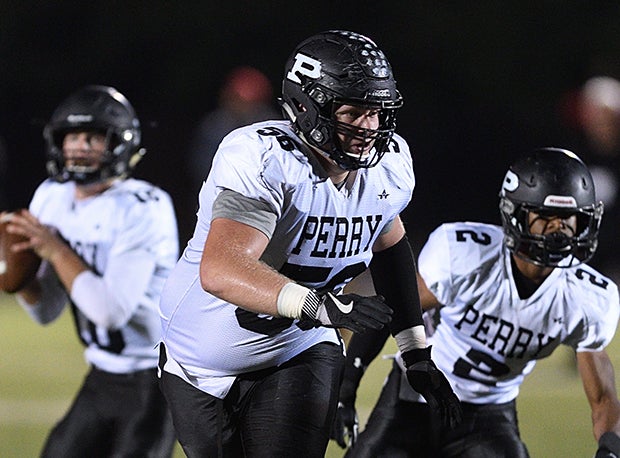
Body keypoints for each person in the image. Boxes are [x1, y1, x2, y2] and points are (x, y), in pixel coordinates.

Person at [158, 30, 461, 458]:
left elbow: (390, 246)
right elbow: (221, 269)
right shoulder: (263, 156)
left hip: (300, 347)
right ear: (306, 107)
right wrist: (323, 306)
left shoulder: (388, 167)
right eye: (355, 112)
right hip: (200, 362)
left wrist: (415, 352)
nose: (370, 127)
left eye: (377, 112)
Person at [334, 147, 620, 457]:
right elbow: (393, 310)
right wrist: (345, 390)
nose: (560, 231)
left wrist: (610, 449)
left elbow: (604, 397)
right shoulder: (469, 257)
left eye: (570, 219)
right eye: (548, 217)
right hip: (414, 399)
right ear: (518, 215)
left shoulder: (587, 296)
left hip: (488, 418)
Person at [5, 85, 179, 457]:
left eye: (94, 137)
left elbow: (110, 312)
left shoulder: (144, 206)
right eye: (73, 137)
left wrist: (54, 249)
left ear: (120, 145)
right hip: (102, 376)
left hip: (156, 379)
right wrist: (15, 274)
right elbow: (47, 310)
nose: (80, 146)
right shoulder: (52, 197)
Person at [186, 66, 280, 195]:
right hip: (221, 193)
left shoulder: (270, 126)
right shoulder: (215, 124)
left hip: (263, 196)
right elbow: (201, 167)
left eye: (240, 100)